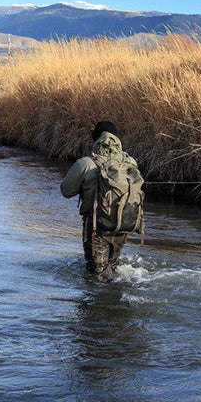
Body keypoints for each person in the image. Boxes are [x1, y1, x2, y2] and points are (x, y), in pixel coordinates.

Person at [60, 120, 136, 282]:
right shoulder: (130, 162)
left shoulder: (86, 163)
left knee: (97, 276)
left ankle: (100, 306)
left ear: (96, 140)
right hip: (123, 224)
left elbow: (66, 191)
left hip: (96, 226)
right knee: (112, 268)